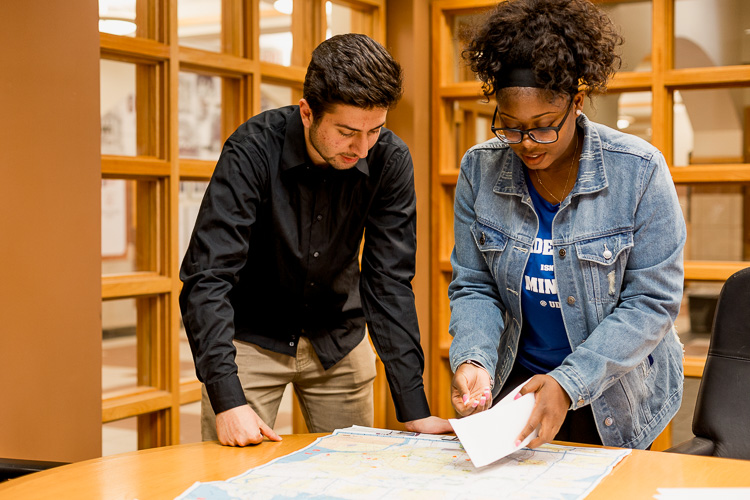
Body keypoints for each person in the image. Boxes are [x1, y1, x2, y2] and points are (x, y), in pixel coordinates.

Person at [180, 33, 451, 447]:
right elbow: (208, 275)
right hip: (252, 338)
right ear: (307, 113)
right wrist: (227, 399)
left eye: (374, 131)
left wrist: (414, 409)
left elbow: (388, 281)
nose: (361, 149)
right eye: (346, 132)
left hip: (338, 338)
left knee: (352, 478)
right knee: (230, 476)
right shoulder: (253, 150)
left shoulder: (389, 160)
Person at [448, 0, 686, 450]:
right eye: (511, 127)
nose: (526, 144)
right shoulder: (479, 170)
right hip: (518, 392)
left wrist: (569, 382)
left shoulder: (637, 171)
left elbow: (652, 302)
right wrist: (474, 359)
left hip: (614, 396)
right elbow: (474, 286)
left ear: (576, 103)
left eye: (542, 127)